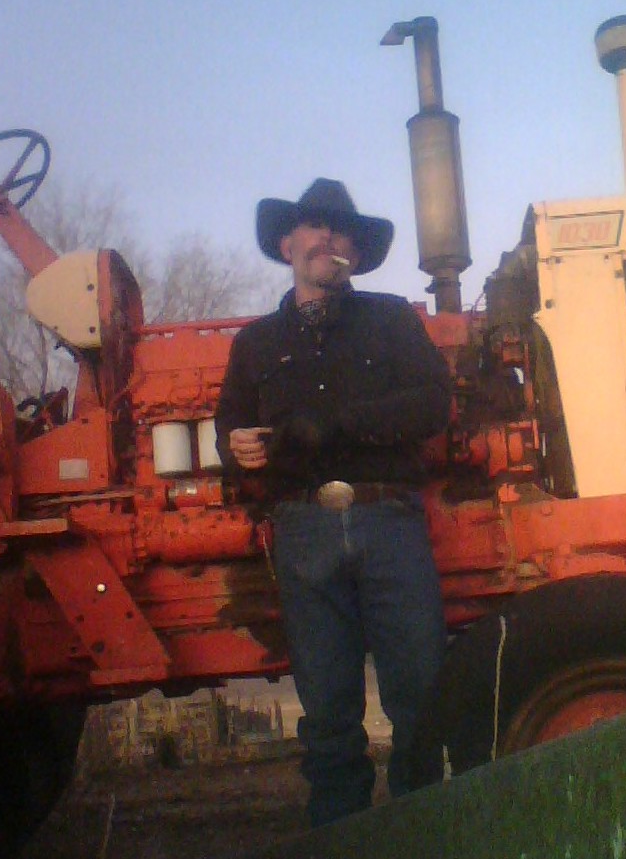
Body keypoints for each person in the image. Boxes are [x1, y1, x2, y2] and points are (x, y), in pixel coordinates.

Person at [215, 178, 450, 827]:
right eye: (313, 225)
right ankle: (341, 834)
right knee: (326, 704)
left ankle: (425, 828)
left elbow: (433, 403)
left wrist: (339, 424)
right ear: (287, 242)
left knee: (421, 690)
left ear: (354, 251)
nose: (327, 237)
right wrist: (236, 445)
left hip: (389, 522)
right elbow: (227, 425)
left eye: (341, 229)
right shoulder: (253, 343)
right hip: (303, 532)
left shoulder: (393, 318)